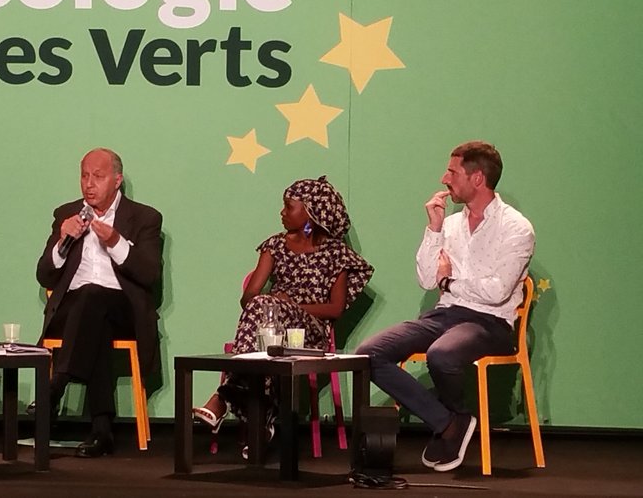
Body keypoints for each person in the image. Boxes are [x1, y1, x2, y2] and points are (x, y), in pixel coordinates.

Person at [356, 141, 534, 472]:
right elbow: (427, 279)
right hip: (445, 314)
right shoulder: (450, 224)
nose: (444, 179)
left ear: (477, 178)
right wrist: (434, 228)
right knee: (369, 354)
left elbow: (497, 291)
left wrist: (450, 282)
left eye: (452, 172)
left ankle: (450, 423)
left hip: (490, 322)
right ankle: (451, 422)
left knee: (441, 354)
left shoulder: (516, 228)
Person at [191, 176, 373, 457]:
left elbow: (335, 309)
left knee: (267, 316)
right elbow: (249, 297)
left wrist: (292, 306)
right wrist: (277, 305)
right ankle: (261, 424)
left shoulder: (336, 253)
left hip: (308, 334)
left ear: (310, 212)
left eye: (289, 207)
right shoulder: (275, 245)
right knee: (264, 315)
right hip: (269, 327)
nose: (282, 212)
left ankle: (224, 398)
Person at [34, 148, 163, 458]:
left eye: (98, 177)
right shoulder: (66, 214)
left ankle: (57, 385)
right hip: (74, 308)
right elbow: (44, 275)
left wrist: (115, 241)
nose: (89, 184)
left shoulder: (144, 217)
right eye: (84, 176)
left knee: (94, 298)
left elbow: (149, 274)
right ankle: (102, 431)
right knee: (92, 311)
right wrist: (62, 242)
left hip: (122, 307)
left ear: (117, 180)